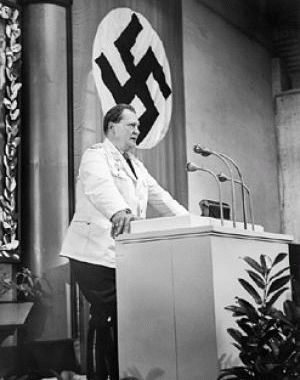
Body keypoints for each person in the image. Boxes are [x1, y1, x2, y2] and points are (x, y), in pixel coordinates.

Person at [60, 103, 189, 380]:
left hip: (122, 255)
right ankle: (99, 376)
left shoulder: (138, 166)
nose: (137, 130)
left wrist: (194, 222)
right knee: (105, 315)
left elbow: (163, 200)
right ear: (112, 127)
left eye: (138, 126)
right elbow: (99, 187)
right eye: (132, 125)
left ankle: (117, 374)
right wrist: (120, 210)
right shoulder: (96, 155)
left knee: (120, 319)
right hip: (92, 253)